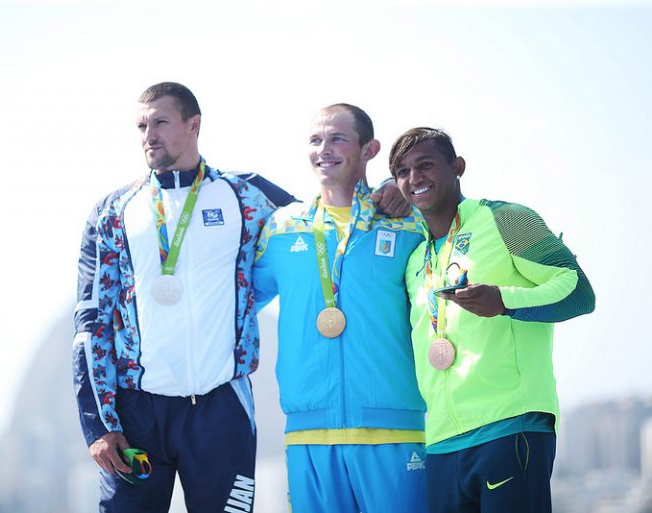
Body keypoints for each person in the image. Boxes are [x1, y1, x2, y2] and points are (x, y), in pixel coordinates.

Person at [72, 83, 406, 512]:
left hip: (220, 409)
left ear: (194, 125)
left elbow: (328, 213)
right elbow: (90, 324)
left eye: (159, 122)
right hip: (138, 411)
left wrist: (386, 191)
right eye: (141, 125)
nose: (148, 135)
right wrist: (98, 425)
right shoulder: (112, 211)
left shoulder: (247, 196)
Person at [389, 127, 596, 513]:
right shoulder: (415, 260)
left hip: (510, 424)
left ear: (458, 167)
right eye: (402, 171)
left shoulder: (509, 219)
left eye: (426, 165)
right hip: (441, 441)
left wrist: (505, 301)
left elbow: (579, 293)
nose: (414, 178)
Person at [252, 104, 428, 513]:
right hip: (309, 433)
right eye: (315, 140)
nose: (323, 149)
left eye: (337, 139)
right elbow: (238, 301)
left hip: (393, 427)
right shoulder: (282, 227)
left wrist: (396, 185)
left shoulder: (407, 223)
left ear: (370, 149)